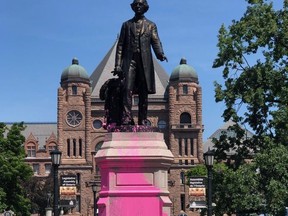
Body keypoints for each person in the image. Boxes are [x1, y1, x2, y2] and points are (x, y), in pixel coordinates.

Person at [113, 0, 167, 125]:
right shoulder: (126, 25)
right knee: (127, 88)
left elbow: (155, 41)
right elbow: (120, 45)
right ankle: (127, 117)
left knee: (143, 91)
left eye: (140, 4)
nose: (138, 6)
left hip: (145, 62)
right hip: (129, 60)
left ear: (145, 8)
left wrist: (160, 54)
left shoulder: (151, 25)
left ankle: (142, 119)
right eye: (135, 4)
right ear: (132, 7)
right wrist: (117, 65)